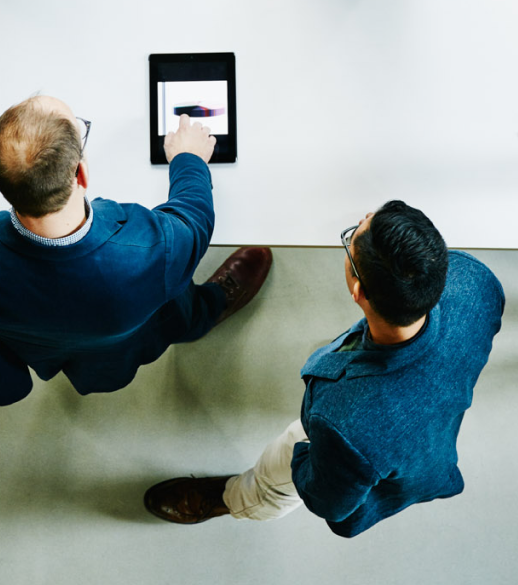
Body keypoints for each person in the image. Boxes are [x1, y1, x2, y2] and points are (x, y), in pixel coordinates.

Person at [0, 96, 272, 406]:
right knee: (178, 300)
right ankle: (208, 310)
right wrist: (188, 159)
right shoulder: (153, 245)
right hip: (117, 350)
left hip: (32, 346)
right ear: (82, 172)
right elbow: (194, 218)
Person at [144, 200, 504, 538]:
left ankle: (232, 499)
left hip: (369, 447)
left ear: (358, 290)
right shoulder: (476, 280)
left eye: (352, 239)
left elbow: (328, 501)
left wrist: (303, 456)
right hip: (423, 421)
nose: (356, 228)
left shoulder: (345, 424)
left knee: (277, 472)